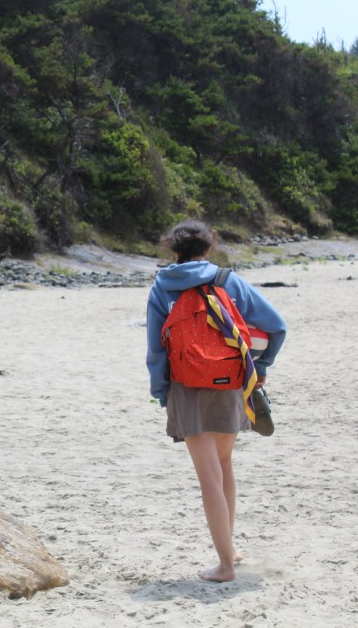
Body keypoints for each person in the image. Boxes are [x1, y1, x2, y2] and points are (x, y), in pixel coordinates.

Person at [146, 219, 286, 582]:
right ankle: (230, 549)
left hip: (185, 386)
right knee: (223, 465)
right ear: (209, 248)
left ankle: (225, 565)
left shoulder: (162, 287)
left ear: (174, 251)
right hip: (229, 382)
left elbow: (156, 350)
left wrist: (161, 392)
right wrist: (260, 368)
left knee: (208, 476)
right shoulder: (227, 280)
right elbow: (277, 326)